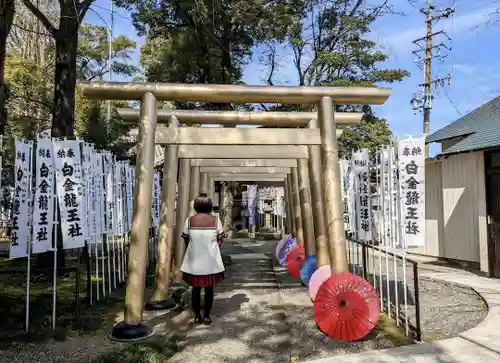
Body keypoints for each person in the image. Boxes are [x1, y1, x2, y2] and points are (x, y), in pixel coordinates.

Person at [180, 193, 225, 325]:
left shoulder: (189, 220)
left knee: (196, 288)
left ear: (196, 206)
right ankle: (207, 316)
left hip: (195, 259)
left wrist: (194, 248)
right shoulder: (216, 220)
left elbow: (186, 239)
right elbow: (220, 238)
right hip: (211, 260)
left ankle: (197, 316)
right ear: (210, 205)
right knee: (209, 289)